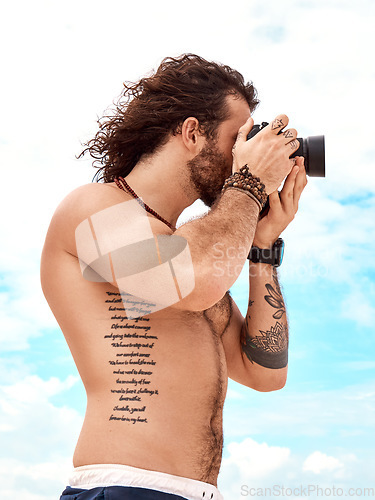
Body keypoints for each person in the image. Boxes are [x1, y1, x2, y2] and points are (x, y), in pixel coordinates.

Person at [40, 53, 307, 500]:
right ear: (190, 132)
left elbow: (263, 371)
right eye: (237, 139)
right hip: (123, 486)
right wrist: (248, 183)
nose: (245, 153)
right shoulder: (92, 208)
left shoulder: (191, 247)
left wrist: (263, 248)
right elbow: (195, 280)